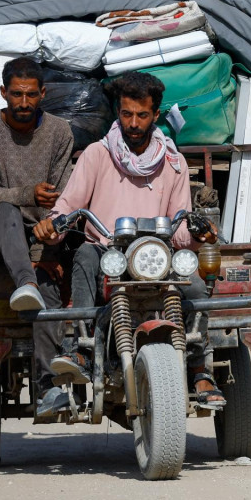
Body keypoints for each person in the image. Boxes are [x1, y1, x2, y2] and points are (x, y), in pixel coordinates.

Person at [33, 71, 225, 411]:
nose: (133, 123)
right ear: (117, 113)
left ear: (155, 114)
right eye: (126, 114)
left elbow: (180, 228)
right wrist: (53, 224)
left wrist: (196, 235)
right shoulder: (96, 154)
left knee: (194, 287)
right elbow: (69, 204)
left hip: (155, 256)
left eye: (142, 115)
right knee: (84, 259)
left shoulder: (173, 163)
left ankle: (198, 368)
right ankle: (82, 345)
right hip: (107, 250)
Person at [0, 57, 74, 417]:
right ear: (3, 93)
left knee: (47, 290)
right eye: (15, 95)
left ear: (42, 94)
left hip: (38, 236)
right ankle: (26, 279)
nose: (23, 103)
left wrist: (48, 250)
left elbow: (60, 199)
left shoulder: (59, 132)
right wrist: (27, 194)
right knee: (7, 210)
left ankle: (47, 387)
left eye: (30, 95)